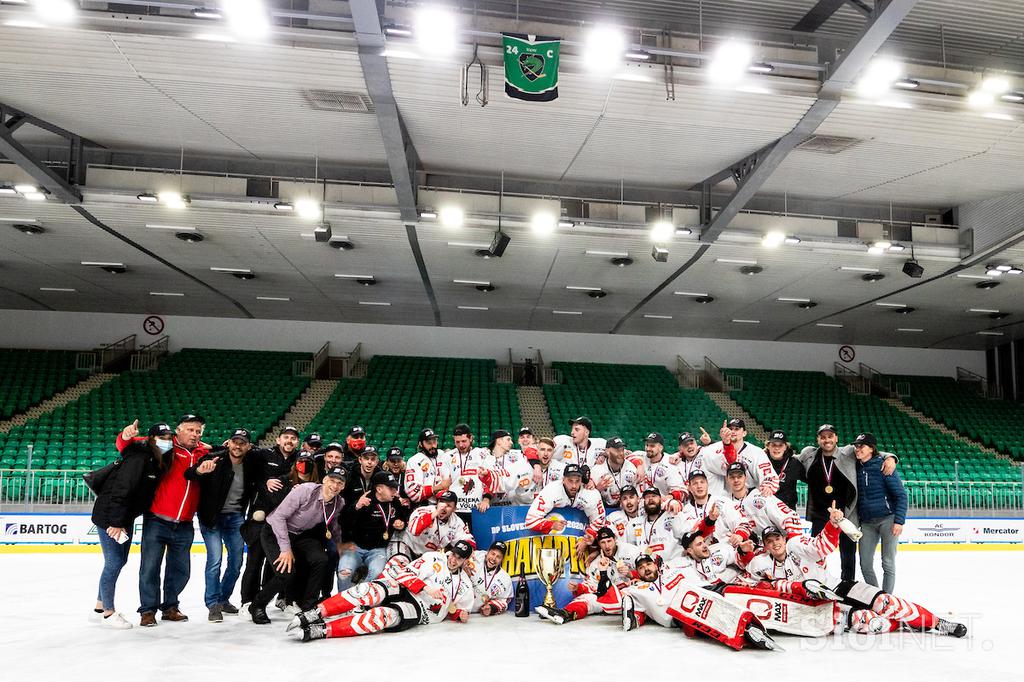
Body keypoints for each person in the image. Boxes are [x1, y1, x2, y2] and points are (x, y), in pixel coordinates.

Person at [742, 506, 966, 638]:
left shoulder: (796, 544)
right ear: (765, 545)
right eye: (769, 541)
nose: (775, 544)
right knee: (865, 622)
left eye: (777, 538)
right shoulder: (761, 563)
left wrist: (831, 525)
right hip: (818, 606)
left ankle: (938, 623)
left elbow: (822, 546)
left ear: (783, 538)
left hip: (838, 586)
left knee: (887, 603)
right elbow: (751, 583)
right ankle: (903, 624)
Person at [119, 413, 211, 627]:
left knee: (180, 570)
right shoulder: (165, 446)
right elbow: (129, 446)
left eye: (198, 431)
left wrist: (221, 446)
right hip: (157, 520)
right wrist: (125, 435)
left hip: (185, 524)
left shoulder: (202, 453)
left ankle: (170, 606)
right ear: (178, 430)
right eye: (190, 429)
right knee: (150, 568)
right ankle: (148, 610)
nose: (195, 434)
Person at [286, 540, 476, 641]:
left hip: (422, 611)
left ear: (465, 561)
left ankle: (321, 630)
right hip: (406, 589)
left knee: (380, 617)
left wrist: (460, 613)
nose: (453, 559)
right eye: (453, 554)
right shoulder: (434, 558)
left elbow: (459, 608)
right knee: (365, 591)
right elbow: (404, 574)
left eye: (459, 558)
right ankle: (313, 614)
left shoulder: (465, 584)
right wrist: (426, 587)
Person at [90, 422, 171, 629]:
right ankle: (108, 613)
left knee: (119, 559)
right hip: (111, 514)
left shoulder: (155, 459)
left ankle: (99, 606)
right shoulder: (139, 457)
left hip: (125, 516)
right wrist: (116, 522)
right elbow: (122, 489)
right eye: (163, 438)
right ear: (151, 439)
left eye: (170, 438)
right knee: (114, 562)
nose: (167, 441)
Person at [796, 424, 898, 583]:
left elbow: (874, 451)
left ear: (836, 438)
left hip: (847, 514)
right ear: (818, 439)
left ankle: (847, 586)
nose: (827, 440)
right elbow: (790, 459)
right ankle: (815, 584)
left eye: (830, 436)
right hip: (820, 515)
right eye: (823, 437)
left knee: (848, 555)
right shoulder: (809, 454)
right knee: (815, 553)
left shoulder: (849, 451)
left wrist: (891, 458)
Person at [248, 467, 346, 625]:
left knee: (321, 559)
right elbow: (279, 517)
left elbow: (333, 525)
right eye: (332, 481)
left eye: (339, 483)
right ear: (324, 480)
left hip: (300, 535)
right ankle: (257, 605)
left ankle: (308, 607)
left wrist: (340, 544)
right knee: (286, 572)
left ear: (343, 487)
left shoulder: (338, 502)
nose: (335, 486)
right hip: (274, 531)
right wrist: (285, 549)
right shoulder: (305, 490)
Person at [185, 427, 261, 622]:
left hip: (235, 517)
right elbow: (189, 474)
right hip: (211, 518)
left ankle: (223, 599)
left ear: (248, 447)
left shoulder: (252, 463)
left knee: (236, 562)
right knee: (215, 561)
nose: (238, 446)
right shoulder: (215, 459)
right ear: (229, 443)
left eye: (243, 443)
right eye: (235, 441)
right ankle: (213, 604)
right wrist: (199, 470)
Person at [621, 555, 777, 650]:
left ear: (655, 565)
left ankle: (769, 597)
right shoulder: (636, 590)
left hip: (700, 592)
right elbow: (631, 614)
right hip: (680, 613)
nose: (646, 569)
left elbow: (698, 583)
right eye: (641, 568)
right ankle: (748, 632)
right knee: (704, 615)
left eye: (648, 564)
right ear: (637, 572)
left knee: (727, 590)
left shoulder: (671, 571)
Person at [239, 452, 319, 610]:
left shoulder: (317, 487)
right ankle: (248, 601)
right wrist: (292, 494)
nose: (304, 465)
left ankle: (288, 599)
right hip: (268, 529)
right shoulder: (281, 482)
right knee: (255, 564)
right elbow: (269, 504)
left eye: (308, 461)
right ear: (294, 464)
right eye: (300, 461)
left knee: (282, 567)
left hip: (293, 534)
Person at [535, 528, 634, 625]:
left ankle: (635, 617)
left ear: (615, 539)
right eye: (603, 542)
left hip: (629, 596)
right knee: (584, 599)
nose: (607, 546)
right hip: (610, 601)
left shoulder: (629, 550)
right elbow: (592, 586)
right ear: (599, 544)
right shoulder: (595, 563)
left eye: (609, 541)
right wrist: (578, 587)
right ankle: (565, 614)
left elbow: (647, 568)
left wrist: (631, 574)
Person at [853, 433, 908, 594]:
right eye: (856, 446)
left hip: (888, 520)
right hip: (867, 523)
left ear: (871, 448)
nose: (857, 449)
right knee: (865, 563)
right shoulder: (856, 466)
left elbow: (901, 495)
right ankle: (877, 596)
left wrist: (899, 521)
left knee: (888, 562)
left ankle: (887, 600)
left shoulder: (883, 466)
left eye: (861, 446)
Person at [337, 470, 409, 593]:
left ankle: (360, 600)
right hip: (355, 547)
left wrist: (401, 524)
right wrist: (356, 507)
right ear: (379, 489)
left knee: (377, 574)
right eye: (391, 488)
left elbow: (404, 518)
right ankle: (342, 602)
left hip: (378, 549)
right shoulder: (364, 500)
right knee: (344, 572)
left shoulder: (396, 503)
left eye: (395, 488)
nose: (395, 491)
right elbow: (342, 522)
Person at [525, 464, 606, 556]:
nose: (574, 486)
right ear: (563, 479)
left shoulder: (591, 493)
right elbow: (530, 521)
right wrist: (551, 524)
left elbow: (600, 519)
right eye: (570, 481)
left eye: (577, 481)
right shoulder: (551, 490)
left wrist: (586, 540)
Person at [699, 419, 779, 499]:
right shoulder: (714, 449)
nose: (733, 432)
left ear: (744, 433)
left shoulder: (756, 452)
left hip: (750, 497)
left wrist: (768, 486)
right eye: (730, 429)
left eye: (737, 429)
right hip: (725, 498)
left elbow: (769, 474)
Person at [723, 461, 802, 540]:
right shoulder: (725, 502)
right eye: (732, 477)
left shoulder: (761, 496)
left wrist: (791, 541)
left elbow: (791, 516)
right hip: (744, 546)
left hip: (770, 544)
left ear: (745, 477)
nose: (736, 480)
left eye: (739, 476)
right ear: (727, 479)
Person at [399, 490, 472, 558]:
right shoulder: (423, 511)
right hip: (408, 548)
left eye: (448, 505)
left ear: (454, 509)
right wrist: (435, 513)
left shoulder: (456, 521)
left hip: (429, 557)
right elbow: (414, 530)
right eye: (441, 503)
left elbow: (467, 540)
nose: (443, 508)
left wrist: (469, 551)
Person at [442, 424, 491, 525]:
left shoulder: (482, 454)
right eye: (457, 442)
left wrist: (486, 500)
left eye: (464, 441)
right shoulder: (447, 456)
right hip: (455, 510)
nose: (461, 445)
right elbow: (444, 483)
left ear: (471, 438)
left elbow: (489, 480)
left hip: (477, 508)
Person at [626, 486, 679, 564]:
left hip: (673, 566)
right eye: (647, 497)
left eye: (654, 496)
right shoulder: (634, 524)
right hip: (647, 569)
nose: (650, 499)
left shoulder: (672, 516)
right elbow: (629, 550)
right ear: (643, 502)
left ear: (661, 499)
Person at [482, 429, 532, 507]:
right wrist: (486, 499)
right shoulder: (487, 460)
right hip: (494, 507)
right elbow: (486, 484)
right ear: (499, 441)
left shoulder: (516, 456)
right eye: (508, 439)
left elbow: (530, 453)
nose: (511, 442)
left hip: (514, 507)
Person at [636, 433, 684, 511]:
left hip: (662, 507)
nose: (648, 448)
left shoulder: (670, 464)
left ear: (660, 448)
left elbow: (682, 491)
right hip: (642, 506)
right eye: (647, 445)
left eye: (652, 446)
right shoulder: (641, 457)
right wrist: (639, 465)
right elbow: (625, 455)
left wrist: (670, 497)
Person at [404, 428, 452, 506]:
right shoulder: (414, 461)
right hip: (426, 506)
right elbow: (413, 494)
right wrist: (440, 486)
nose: (433, 446)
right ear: (420, 444)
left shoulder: (442, 455)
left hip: (446, 504)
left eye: (434, 442)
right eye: (429, 443)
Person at [589, 436, 640, 508]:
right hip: (603, 508)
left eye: (622, 450)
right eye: (617, 450)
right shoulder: (597, 470)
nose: (621, 453)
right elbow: (589, 498)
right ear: (607, 451)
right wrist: (597, 490)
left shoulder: (631, 469)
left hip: (625, 508)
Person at [464, 541, 513, 616]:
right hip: (459, 610)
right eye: (492, 554)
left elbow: (504, 601)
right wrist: (463, 564)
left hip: (478, 616)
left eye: (498, 557)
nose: (494, 558)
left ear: (502, 559)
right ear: (487, 552)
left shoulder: (505, 578)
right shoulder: (475, 557)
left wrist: (491, 607)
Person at [764, 430, 806, 511]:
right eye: (773, 445)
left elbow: (810, 480)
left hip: (787, 510)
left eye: (780, 445)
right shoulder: (761, 461)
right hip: (765, 509)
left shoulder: (794, 463)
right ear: (768, 446)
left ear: (786, 447)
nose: (777, 448)